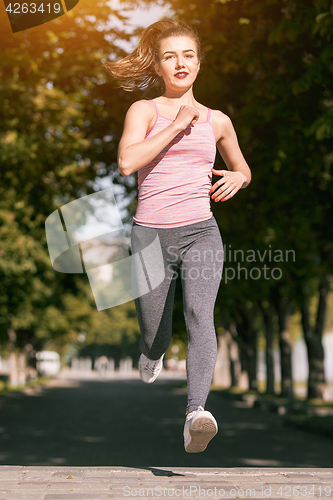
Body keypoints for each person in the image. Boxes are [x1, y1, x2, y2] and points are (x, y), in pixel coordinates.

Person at [102, 19, 251, 453]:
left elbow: (242, 167)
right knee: (154, 328)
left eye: (188, 55)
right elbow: (128, 163)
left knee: (201, 315)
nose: (180, 62)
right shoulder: (144, 111)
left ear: (199, 63)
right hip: (149, 234)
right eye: (170, 56)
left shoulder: (218, 120)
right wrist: (175, 125)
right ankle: (152, 353)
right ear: (160, 65)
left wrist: (238, 179)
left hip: (201, 230)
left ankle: (195, 414)